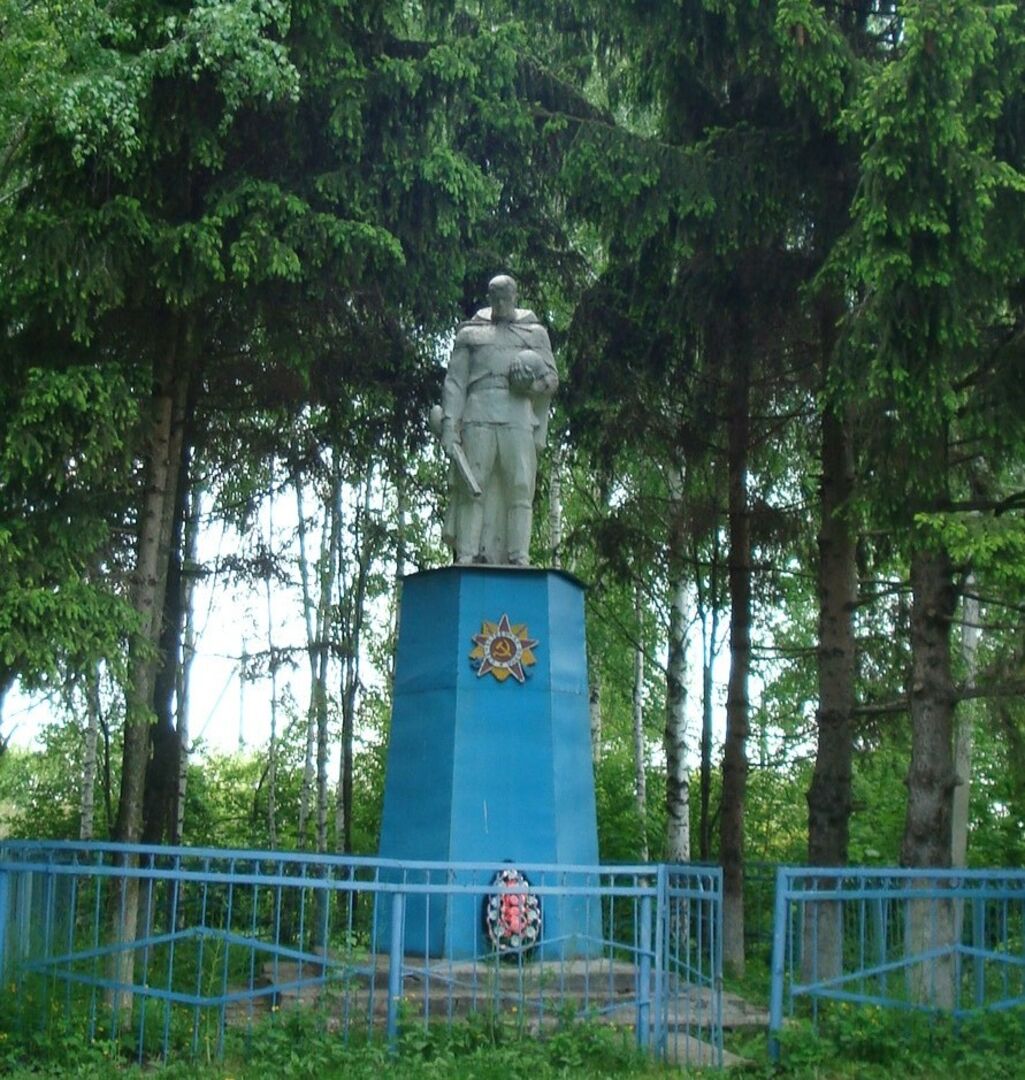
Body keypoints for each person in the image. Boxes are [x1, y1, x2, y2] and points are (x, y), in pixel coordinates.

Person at [439, 275, 558, 565]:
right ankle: (467, 554)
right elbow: (455, 383)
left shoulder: (533, 333)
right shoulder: (471, 333)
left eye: (507, 297)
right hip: (478, 412)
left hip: (517, 414)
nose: (502, 303)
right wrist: (448, 425)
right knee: (473, 484)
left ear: (515, 296)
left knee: (519, 486)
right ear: (490, 298)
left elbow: (551, 379)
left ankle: (519, 555)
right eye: (497, 298)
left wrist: (530, 387)